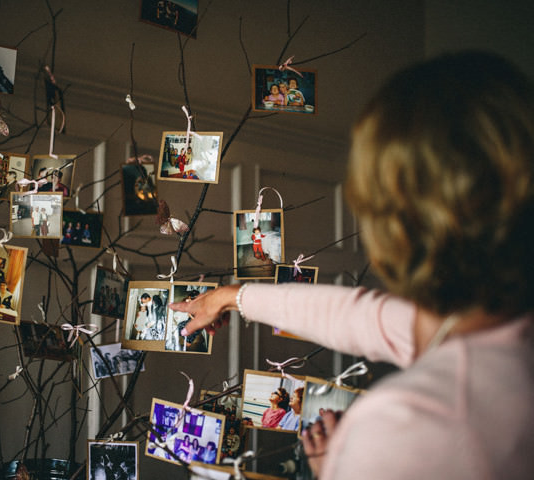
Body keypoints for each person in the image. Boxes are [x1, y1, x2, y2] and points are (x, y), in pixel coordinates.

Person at [172, 51, 534, 479]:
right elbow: (366, 317)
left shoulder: (410, 421)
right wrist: (230, 297)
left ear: (394, 227)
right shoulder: (496, 332)